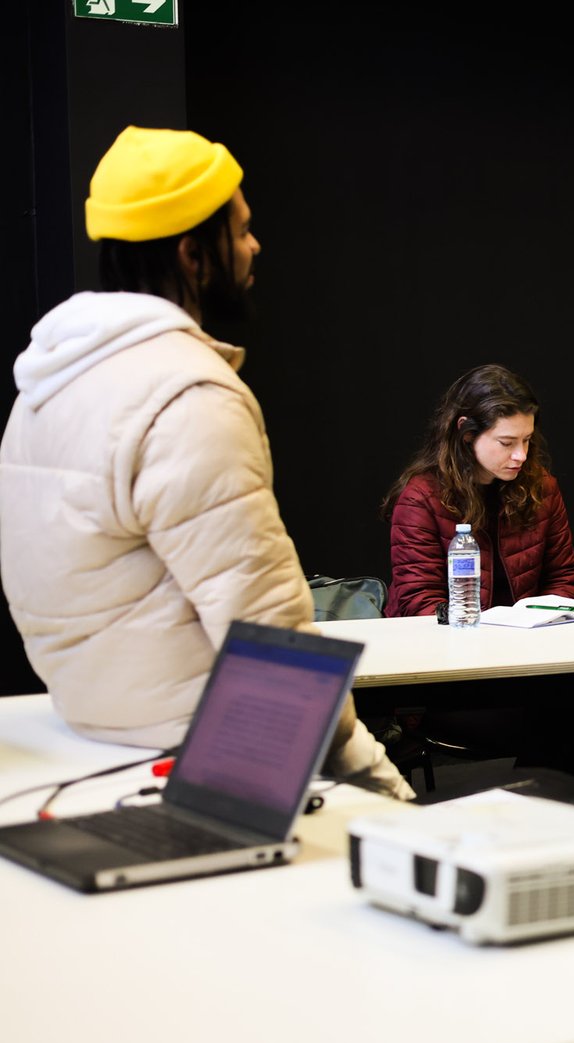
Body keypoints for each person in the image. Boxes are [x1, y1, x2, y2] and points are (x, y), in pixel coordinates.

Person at [0, 126, 409, 797]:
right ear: (194, 253)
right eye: (241, 230)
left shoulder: (48, 382)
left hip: (85, 742)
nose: (254, 247)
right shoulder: (188, 395)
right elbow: (269, 626)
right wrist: (378, 784)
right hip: (201, 762)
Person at [381, 364, 574, 774]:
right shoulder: (422, 497)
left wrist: (538, 625)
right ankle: (540, 815)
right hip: (452, 680)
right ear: (466, 433)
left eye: (527, 441)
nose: (521, 455)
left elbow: (565, 578)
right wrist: (498, 635)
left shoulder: (542, 488)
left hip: (527, 668)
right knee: (560, 715)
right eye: (506, 442)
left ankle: (541, 817)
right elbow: (418, 603)